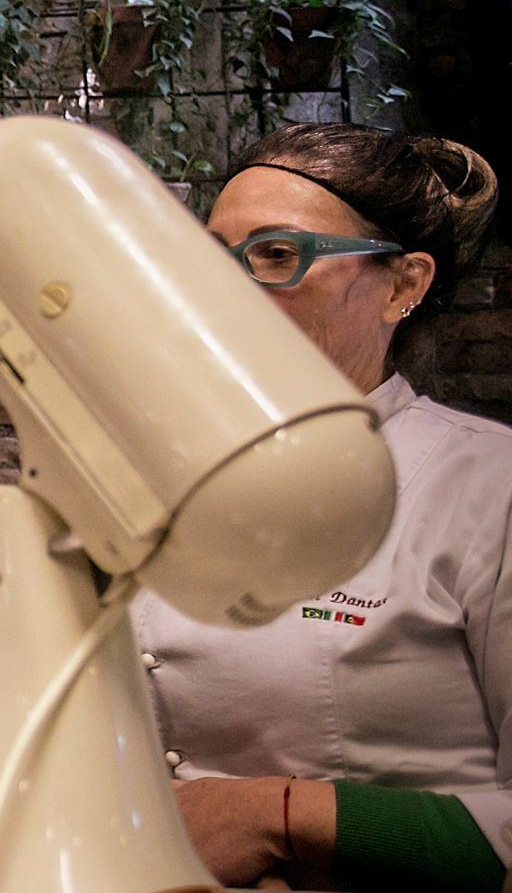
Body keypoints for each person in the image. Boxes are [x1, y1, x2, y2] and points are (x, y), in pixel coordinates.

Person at [132, 123, 511, 892]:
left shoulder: (487, 484)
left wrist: (274, 814)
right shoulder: (151, 483)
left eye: (278, 254)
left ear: (403, 285)